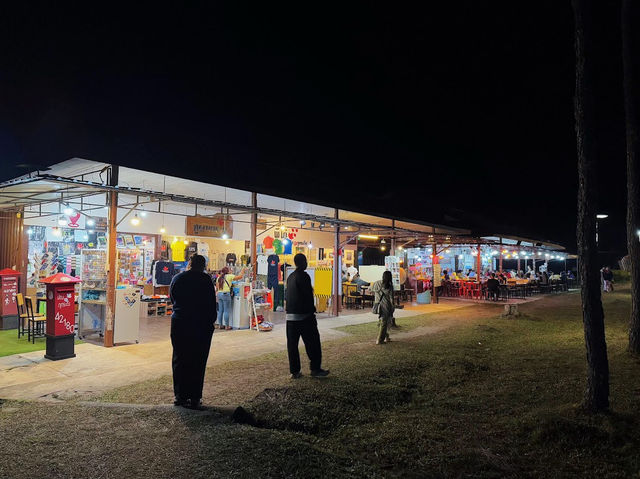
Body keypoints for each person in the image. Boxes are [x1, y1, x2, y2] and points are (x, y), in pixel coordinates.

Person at [169, 254, 216, 409]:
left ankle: (180, 396)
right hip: (201, 324)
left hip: (180, 322)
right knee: (198, 360)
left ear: (189, 264)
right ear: (203, 266)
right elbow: (211, 303)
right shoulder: (206, 280)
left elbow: (173, 298)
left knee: (180, 358)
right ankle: (195, 396)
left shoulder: (178, 278)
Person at [285, 253, 330, 379]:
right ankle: (315, 369)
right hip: (304, 316)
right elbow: (307, 296)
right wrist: (312, 310)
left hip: (290, 317)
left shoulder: (290, 277)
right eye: (305, 261)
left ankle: (295, 371)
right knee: (313, 343)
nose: (306, 263)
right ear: (303, 262)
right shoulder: (304, 276)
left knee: (292, 346)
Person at [371, 270, 395, 344]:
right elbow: (391, 298)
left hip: (377, 304)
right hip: (386, 305)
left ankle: (386, 336)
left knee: (382, 321)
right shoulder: (389, 286)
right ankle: (380, 339)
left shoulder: (376, 283)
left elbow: (371, 290)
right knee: (384, 322)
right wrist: (393, 306)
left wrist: (377, 296)